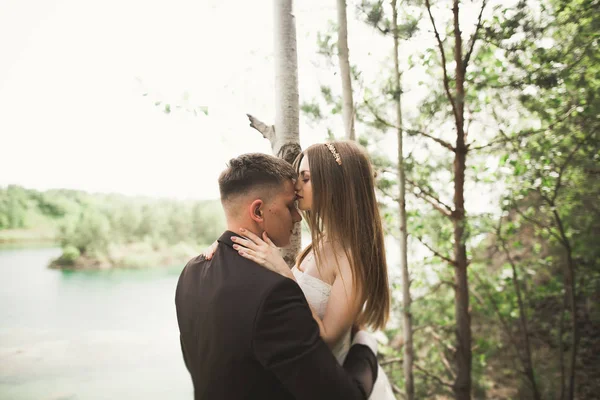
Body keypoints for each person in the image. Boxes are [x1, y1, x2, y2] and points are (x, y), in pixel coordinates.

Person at [175, 152, 380, 400]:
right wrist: (366, 345)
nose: (297, 216)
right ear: (258, 212)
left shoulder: (191, 271)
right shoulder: (274, 292)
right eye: (289, 205)